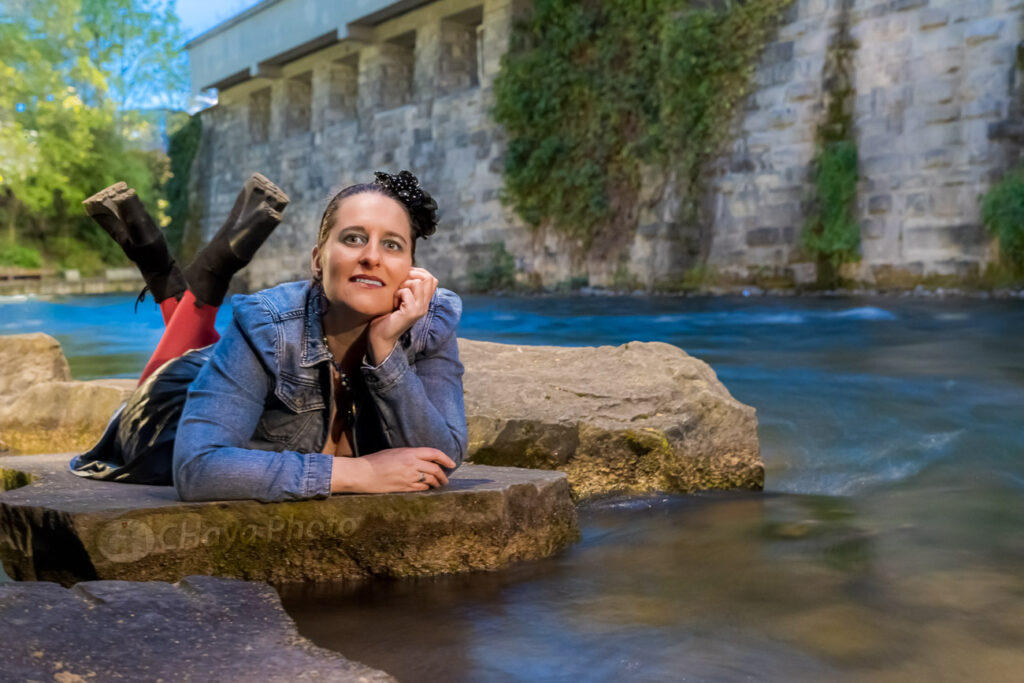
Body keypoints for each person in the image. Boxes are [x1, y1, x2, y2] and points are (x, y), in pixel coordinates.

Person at [70, 170, 466, 503]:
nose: (372, 257)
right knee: (173, 381)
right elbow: (197, 468)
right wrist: (359, 472)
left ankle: (174, 270)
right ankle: (192, 270)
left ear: (412, 269)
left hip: (227, 364)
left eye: (392, 245)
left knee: (210, 348)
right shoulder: (266, 324)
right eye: (353, 238)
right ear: (317, 260)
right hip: (171, 409)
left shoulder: (430, 322)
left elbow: (441, 457)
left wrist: (385, 353)